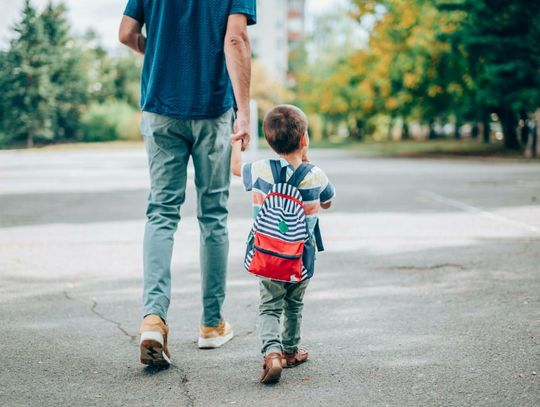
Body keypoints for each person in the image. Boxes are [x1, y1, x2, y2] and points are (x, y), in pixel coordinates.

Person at [118, 0, 256, 367]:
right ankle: (211, 325)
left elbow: (126, 33)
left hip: (160, 106)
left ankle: (153, 318)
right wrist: (244, 112)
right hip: (212, 109)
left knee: (161, 213)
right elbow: (236, 40)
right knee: (212, 216)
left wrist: (159, 52)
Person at [231, 105, 336, 383]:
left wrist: (236, 143)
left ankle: (272, 354)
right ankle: (290, 351)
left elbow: (234, 169)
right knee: (294, 304)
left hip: (267, 256)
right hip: (300, 257)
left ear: (269, 141)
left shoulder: (260, 170)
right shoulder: (316, 175)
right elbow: (327, 201)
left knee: (269, 306)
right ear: (304, 139)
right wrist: (306, 160)